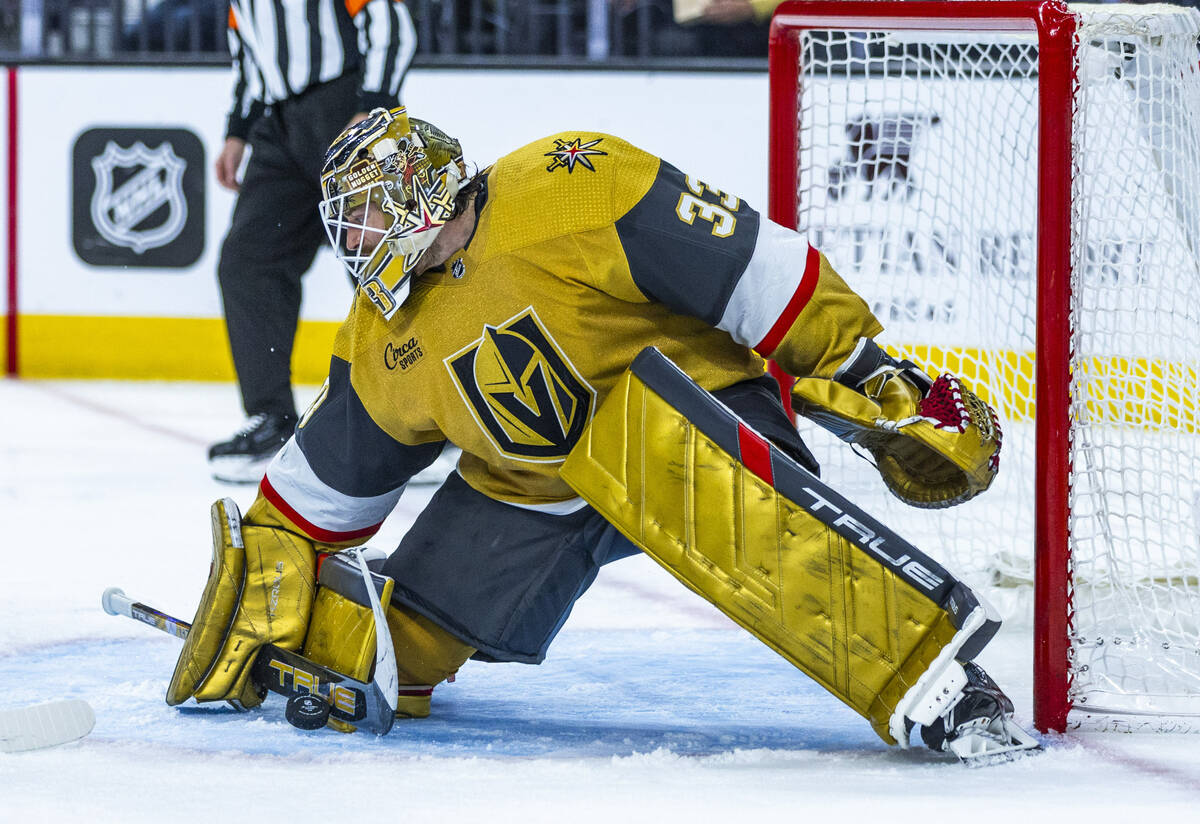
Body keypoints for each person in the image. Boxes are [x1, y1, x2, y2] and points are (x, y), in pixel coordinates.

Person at [168, 107, 1038, 761]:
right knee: (374, 642)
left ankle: (940, 682)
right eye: (345, 223)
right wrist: (275, 555)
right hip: (538, 489)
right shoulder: (380, 335)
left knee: (682, 476)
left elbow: (751, 267)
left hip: (695, 418)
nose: (355, 240)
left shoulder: (569, 182)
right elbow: (332, 477)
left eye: (366, 212)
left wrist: (862, 368)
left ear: (421, 185)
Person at [207, 0, 418, 483]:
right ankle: (272, 419)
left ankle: (421, 421)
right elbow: (249, 53)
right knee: (248, 261)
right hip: (278, 124)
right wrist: (238, 130)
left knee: (383, 263)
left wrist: (372, 106)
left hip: (347, 110)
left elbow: (392, 25)